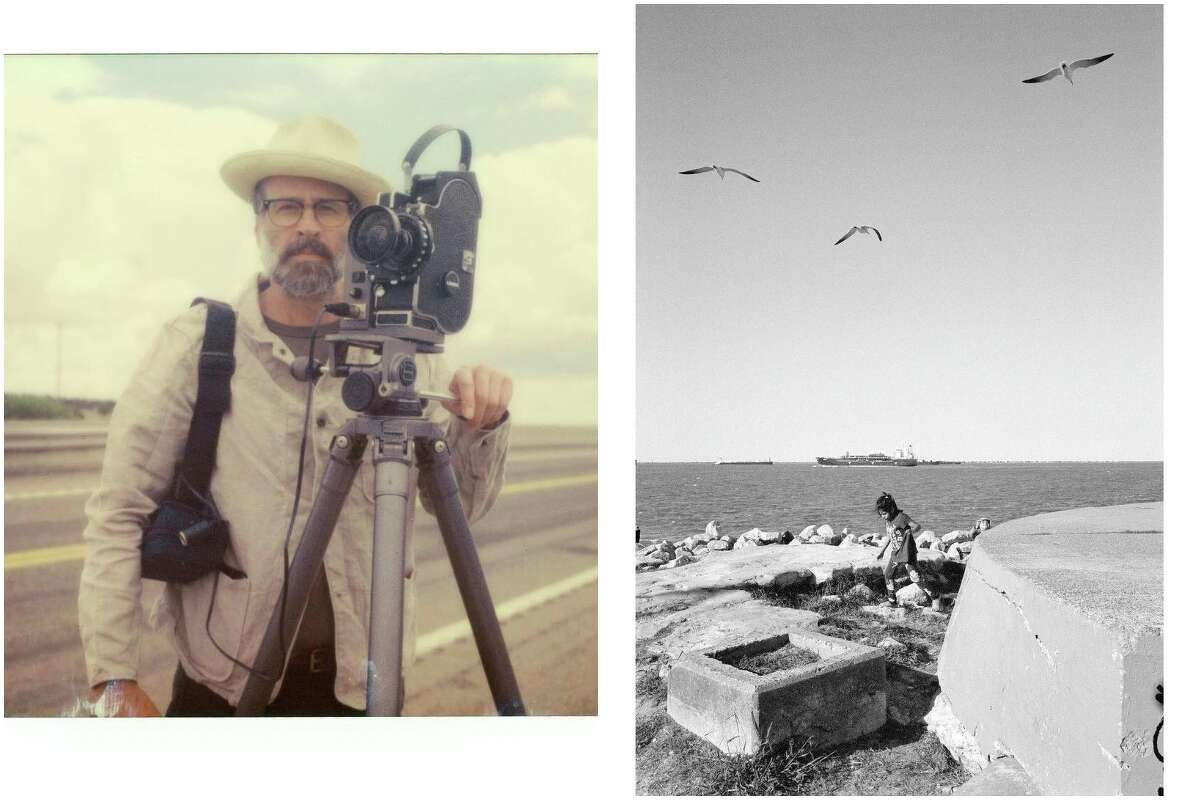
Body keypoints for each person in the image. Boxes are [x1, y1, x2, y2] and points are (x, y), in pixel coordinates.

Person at [78, 116, 513, 716]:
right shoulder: (197, 345)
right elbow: (119, 512)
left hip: (361, 690)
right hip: (224, 692)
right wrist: (112, 679)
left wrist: (480, 426)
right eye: (286, 206)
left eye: (330, 208)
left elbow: (459, 508)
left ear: (364, 230)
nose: (306, 225)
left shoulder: (407, 356)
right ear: (258, 221)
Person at [873, 492, 936, 607]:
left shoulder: (901, 517)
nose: (882, 517)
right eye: (881, 514)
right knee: (888, 574)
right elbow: (889, 536)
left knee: (915, 577)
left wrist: (909, 531)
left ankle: (935, 597)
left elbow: (917, 526)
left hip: (908, 553)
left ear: (891, 509)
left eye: (884, 514)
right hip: (896, 553)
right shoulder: (888, 521)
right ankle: (892, 601)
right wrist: (881, 551)